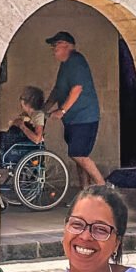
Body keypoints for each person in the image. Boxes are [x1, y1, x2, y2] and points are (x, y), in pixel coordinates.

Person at [44, 31, 105, 188]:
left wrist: (62, 110)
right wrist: (44, 108)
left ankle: (103, 187)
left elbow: (77, 88)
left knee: (78, 154)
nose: (53, 49)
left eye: (56, 45)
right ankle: (84, 191)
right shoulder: (65, 65)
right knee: (79, 156)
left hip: (84, 117)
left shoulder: (76, 61)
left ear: (66, 45)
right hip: (73, 119)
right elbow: (58, 90)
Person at [1, 85, 47, 152]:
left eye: (22, 98)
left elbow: (37, 139)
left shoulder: (38, 115)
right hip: (21, 142)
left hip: (27, 147)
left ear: (28, 102)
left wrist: (22, 126)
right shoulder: (27, 114)